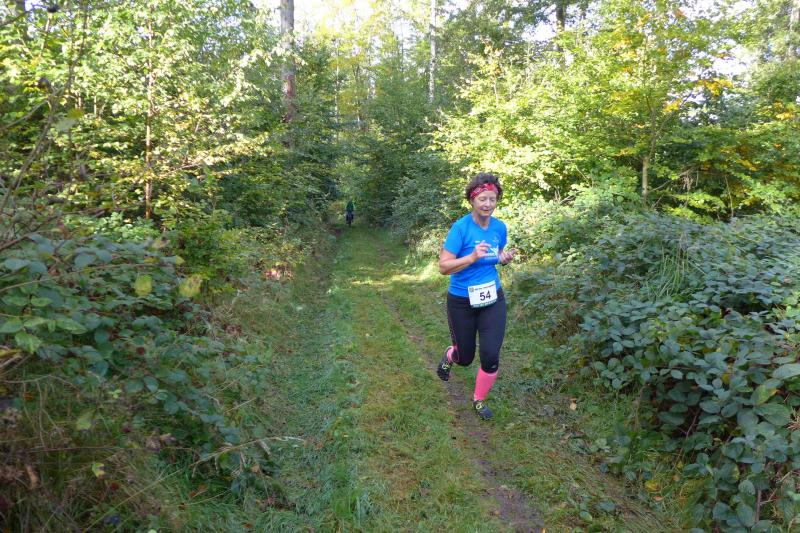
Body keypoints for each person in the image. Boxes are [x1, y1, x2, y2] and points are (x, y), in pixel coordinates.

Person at [436, 172, 517, 420]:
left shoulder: (499, 227)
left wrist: (503, 258)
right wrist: (471, 257)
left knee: (491, 355)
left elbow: (496, 254)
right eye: (482, 199)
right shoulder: (460, 229)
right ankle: (451, 355)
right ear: (472, 200)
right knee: (465, 358)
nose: (488, 204)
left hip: (492, 297)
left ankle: (479, 400)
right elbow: (443, 267)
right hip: (462, 301)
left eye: (492, 199)